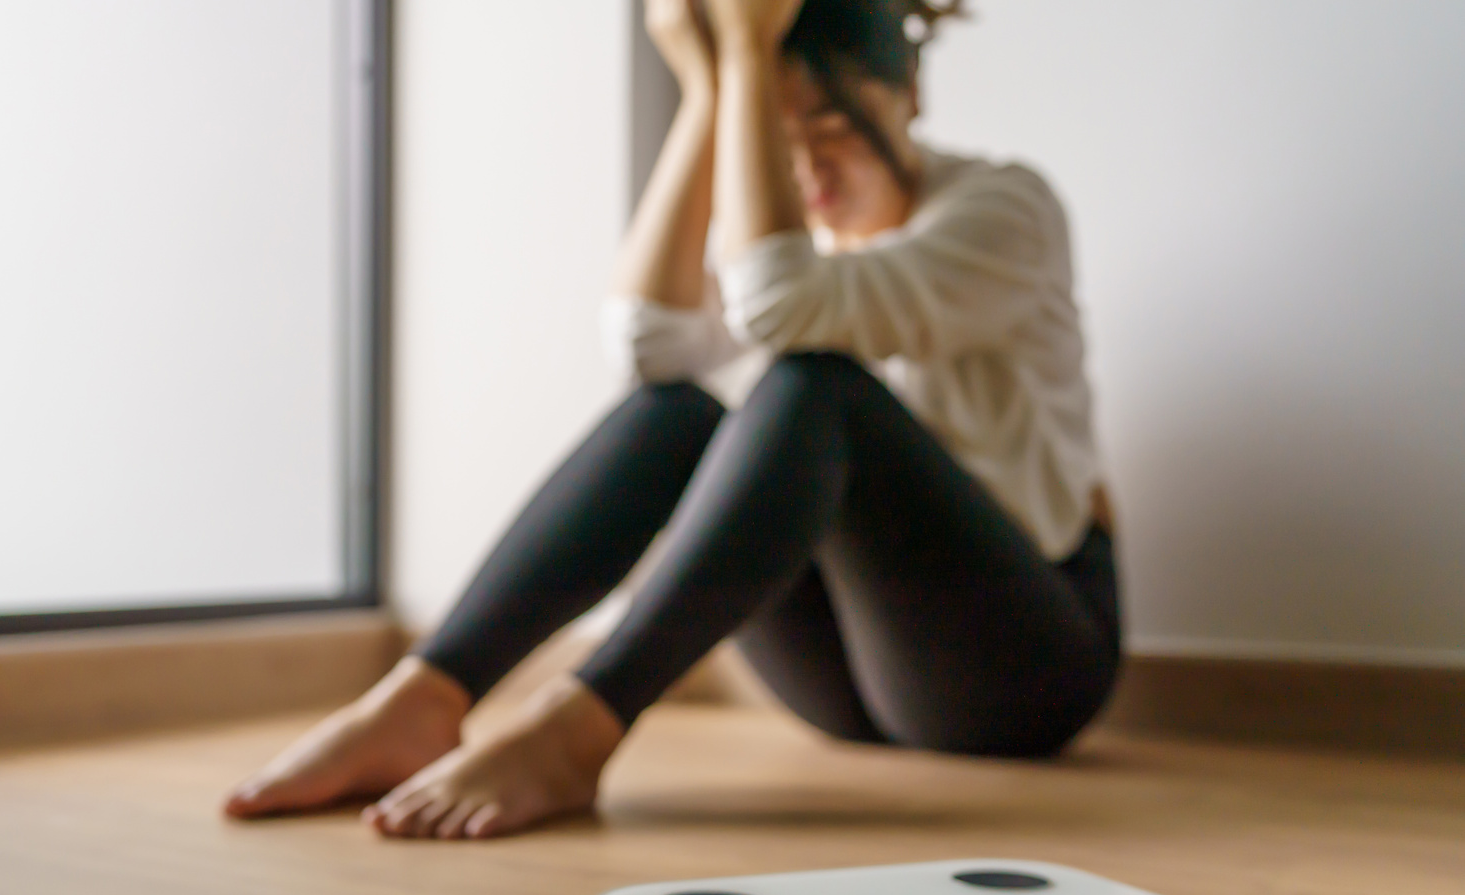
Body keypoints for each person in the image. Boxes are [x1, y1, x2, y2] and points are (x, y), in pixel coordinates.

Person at [223, 0, 1120, 839]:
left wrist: (744, 43)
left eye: (833, 131)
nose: (806, 171)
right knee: (678, 412)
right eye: (777, 139)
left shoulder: (1005, 209)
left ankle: (579, 726)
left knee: (814, 386)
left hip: (1017, 672)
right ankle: (425, 694)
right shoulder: (794, 249)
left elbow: (785, 312)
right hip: (847, 684)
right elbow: (649, 348)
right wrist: (711, 89)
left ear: (911, 93)